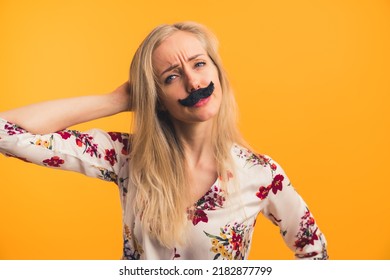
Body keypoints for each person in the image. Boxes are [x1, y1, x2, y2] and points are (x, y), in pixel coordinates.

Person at [0, 22, 328, 260]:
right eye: (171, 77)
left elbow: (315, 253)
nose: (193, 81)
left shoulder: (261, 173)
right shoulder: (125, 156)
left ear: (218, 73)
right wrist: (116, 100)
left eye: (199, 64)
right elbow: (5, 132)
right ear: (156, 97)